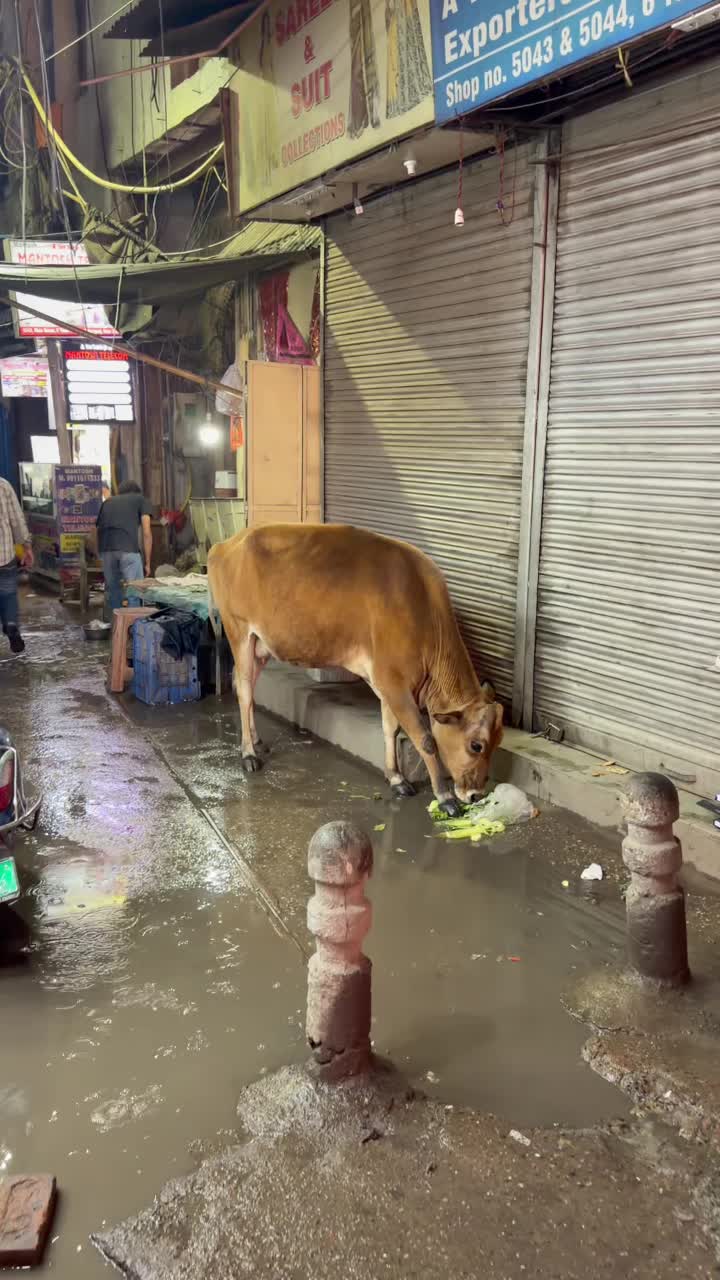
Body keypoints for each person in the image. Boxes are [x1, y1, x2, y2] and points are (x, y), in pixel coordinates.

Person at [96, 480, 153, 612]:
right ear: (137, 492)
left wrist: (99, 554)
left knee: (114, 592)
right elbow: (146, 532)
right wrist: (148, 563)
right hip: (128, 550)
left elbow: (95, 530)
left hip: (106, 550)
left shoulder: (107, 502)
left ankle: (117, 629)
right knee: (134, 591)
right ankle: (133, 629)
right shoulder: (141, 500)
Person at [0, 476, 33, 654]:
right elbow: (16, 520)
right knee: (8, 594)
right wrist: (26, 546)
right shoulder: (3, 485)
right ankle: (11, 624)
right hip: (3, 556)